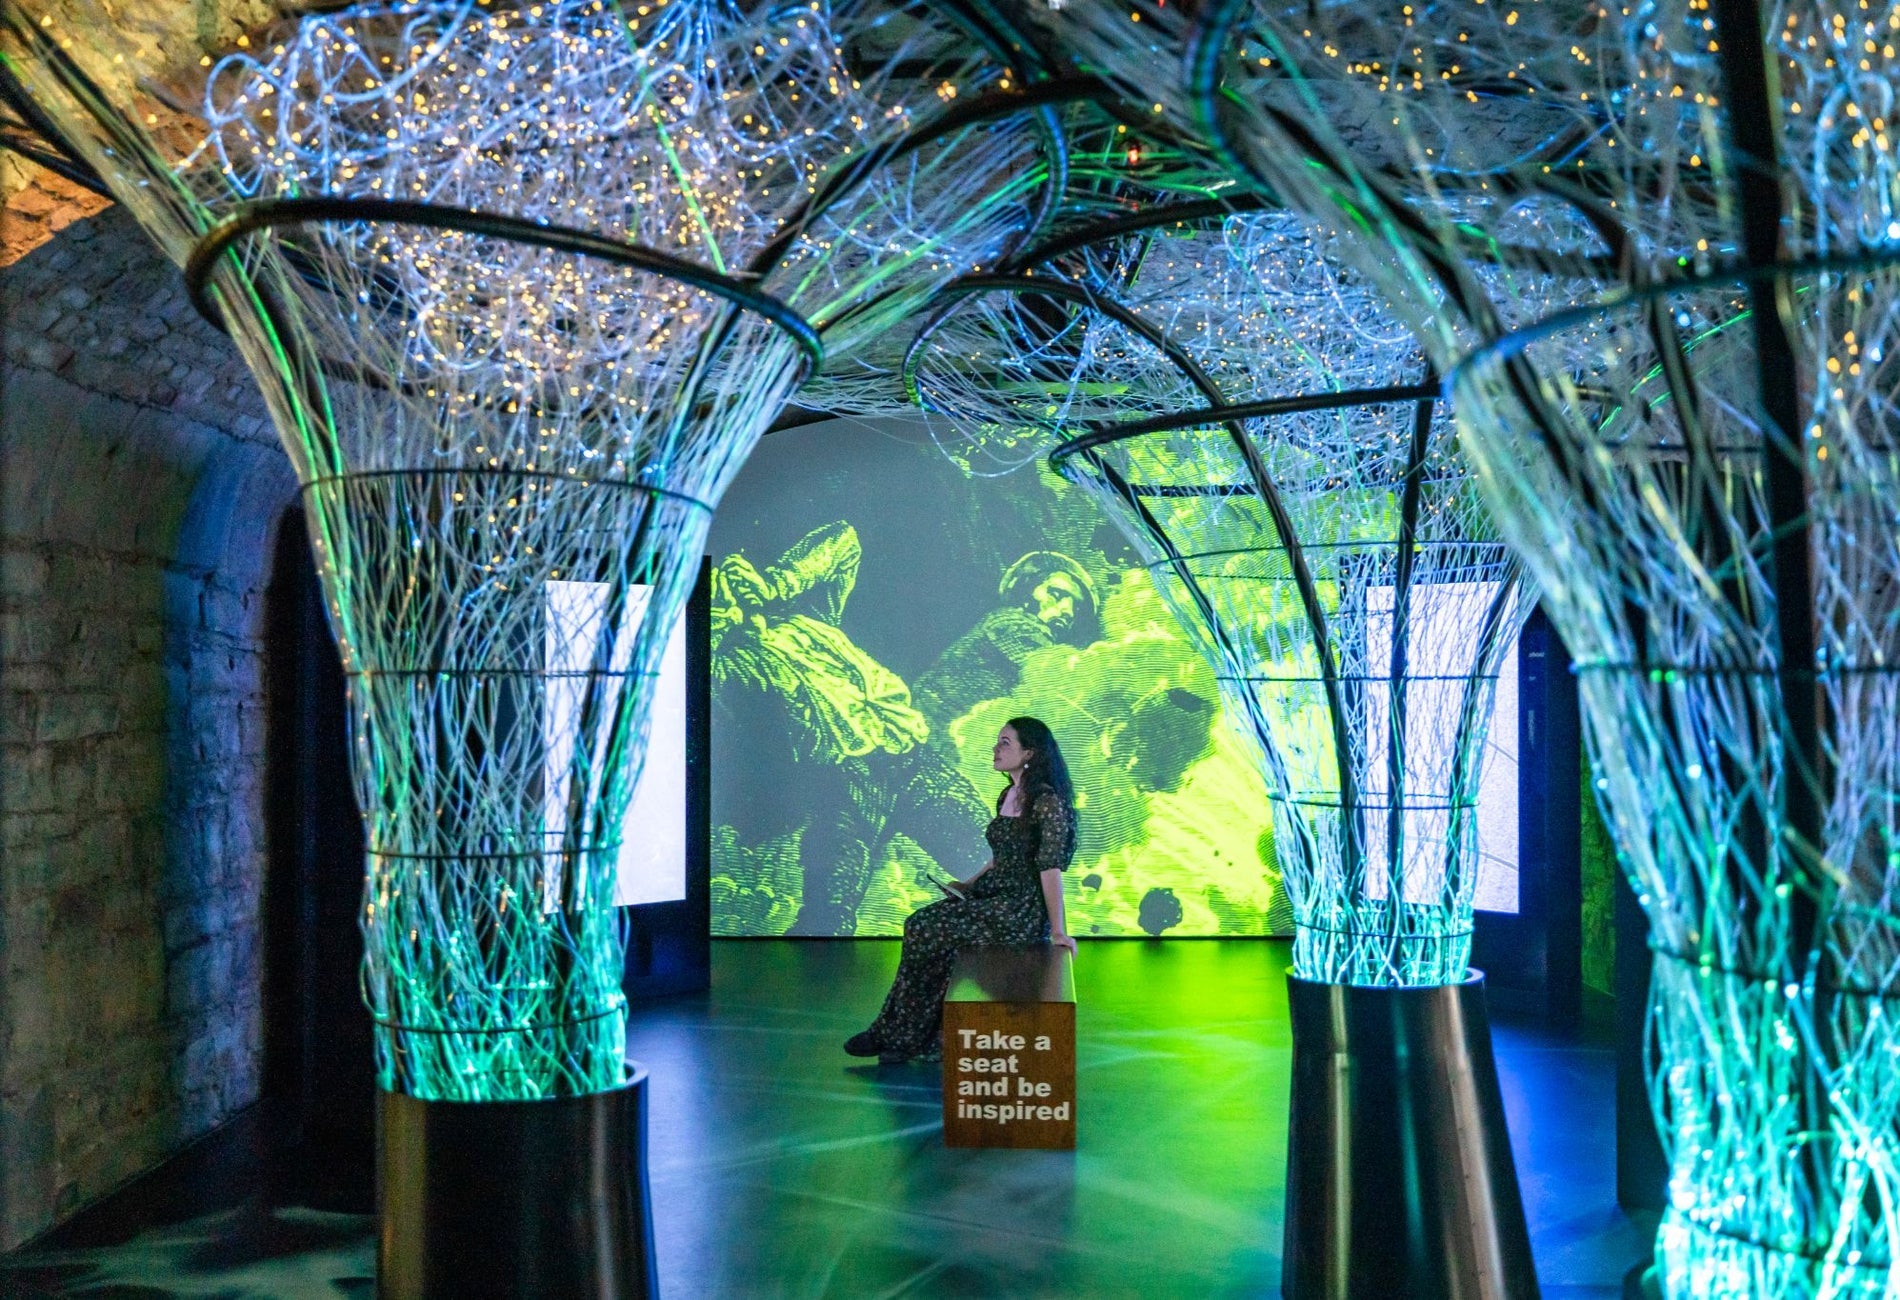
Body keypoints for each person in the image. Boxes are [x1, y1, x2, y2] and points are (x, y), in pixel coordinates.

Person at [844, 716, 1079, 1065]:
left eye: (1005, 743)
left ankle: (899, 1034)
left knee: (925, 927)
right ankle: (910, 1035)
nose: (995, 749)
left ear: (1029, 753)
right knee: (923, 928)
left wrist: (1058, 930)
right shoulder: (1008, 794)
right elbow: (1000, 857)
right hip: (994, 894)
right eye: (997, 741)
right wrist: (967, 884)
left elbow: (1050, 867)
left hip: (1018, 909)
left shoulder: (1046, 802)